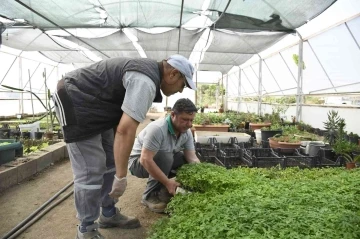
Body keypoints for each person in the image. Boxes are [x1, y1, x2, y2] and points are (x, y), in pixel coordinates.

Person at [52, 55, 196, 239]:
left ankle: (108, 213)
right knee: (91, 169)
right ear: (173, 74)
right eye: (183, 84)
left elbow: (120, 123)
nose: (180, 90)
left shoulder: (148, 75)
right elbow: (125, 131)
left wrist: (116, 169)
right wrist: (121, 176)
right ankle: (86, 229)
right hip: (75, 99)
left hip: (97, 106)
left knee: (111, 160)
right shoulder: (145, 81)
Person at [128, 98, 201, 213]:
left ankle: (165, 189)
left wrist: (202, 174)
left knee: (183, 159)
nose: (189, 124)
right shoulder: (157, 129)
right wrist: (167, 181)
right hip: (137, 163)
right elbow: (145, 159)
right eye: (185, 119)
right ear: (173, 115)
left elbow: (191, 157)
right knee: (165, 156)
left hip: (160, 158)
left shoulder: (186, 132)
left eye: (191, 120)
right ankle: (149, 195)